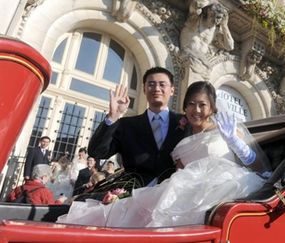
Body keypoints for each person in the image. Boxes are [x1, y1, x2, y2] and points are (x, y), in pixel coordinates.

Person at [57, 81, 270, 227]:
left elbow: (259, 167)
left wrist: (236, 143)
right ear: (185, 108)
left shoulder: (229, 131)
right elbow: (178, 175)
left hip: (225, 189)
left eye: (202, 105)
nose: (196, 110)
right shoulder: (181, 144)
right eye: (191, 104)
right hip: (186, 194)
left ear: (213, 108)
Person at [88, 67, 186, 187]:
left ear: (172, 90)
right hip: (133, 195)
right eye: (151, 84)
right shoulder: (127, 125)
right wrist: (113, 116)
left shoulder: (185, 123)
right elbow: (97, 152)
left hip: (173, 195)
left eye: (162, 84)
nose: (156, 89)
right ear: (144, 89)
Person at [179, 0, 234, 81]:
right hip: (188, 54)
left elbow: (230, 46)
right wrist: (211, 2)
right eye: (213, 16)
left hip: (202, 62)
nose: (216, 20)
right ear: (209, 12)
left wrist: (225, 26)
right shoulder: (196, 18)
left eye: (219, 18)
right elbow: (196, 4)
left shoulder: (216, 29)